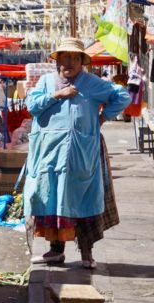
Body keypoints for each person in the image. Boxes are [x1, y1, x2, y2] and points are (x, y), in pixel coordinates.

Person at [25, 37, 130, 270]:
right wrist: (57, 95)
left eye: (75, 58)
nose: (70, 62)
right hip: (49, 155)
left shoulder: (92, 83)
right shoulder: (46, 81)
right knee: (52, 198)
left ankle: (87, 252)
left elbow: (122, 96)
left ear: (82, 61)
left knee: (83, 199)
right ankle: (55, 251)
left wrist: (102, 117)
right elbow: (31, 105)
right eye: (66, 57)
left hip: (81, 154)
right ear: (58, 59)